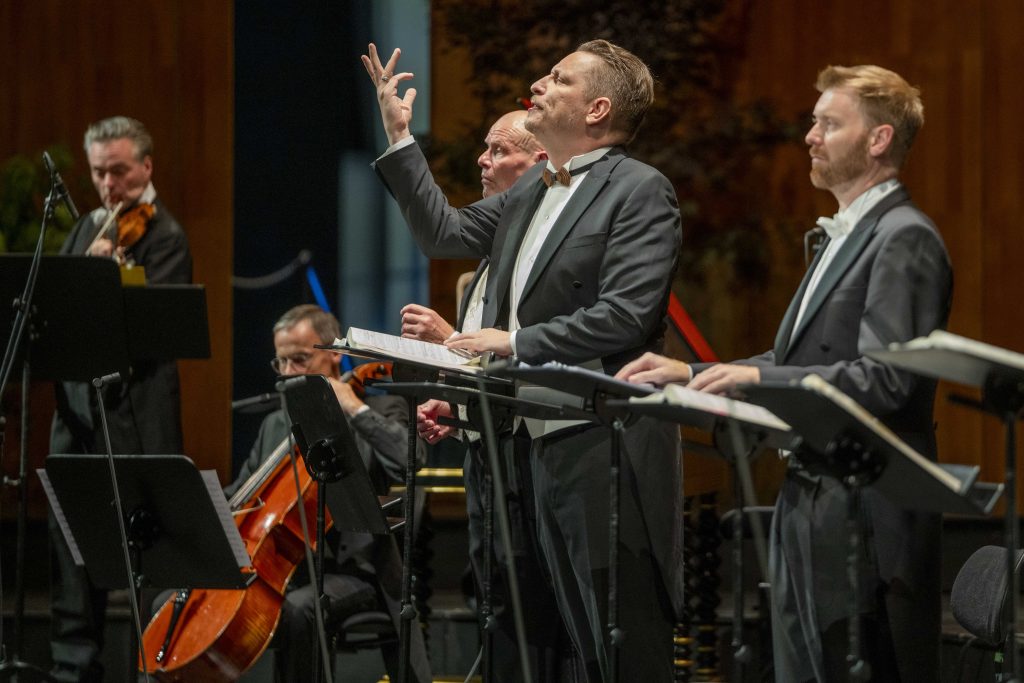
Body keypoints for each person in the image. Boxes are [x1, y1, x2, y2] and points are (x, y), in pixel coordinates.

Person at [617, 65, 952, 682]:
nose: (810, 136)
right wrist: (691, 373)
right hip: (811, 494)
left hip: (868, 511)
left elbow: (885, 380)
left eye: (829, 123)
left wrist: (752, 383)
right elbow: (798, 362)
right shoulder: (844, 236)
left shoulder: (904, 237)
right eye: (813, 121)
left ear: (878, 139)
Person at [363, 39, 683, 682]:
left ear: (596, 110)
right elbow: (443, 234)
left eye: (558, 79)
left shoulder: (641, 190)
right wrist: (400, 137)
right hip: (539, 442)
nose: (538, 83)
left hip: (604, 440)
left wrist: (513, 342)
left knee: (623, 647)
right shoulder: (534, 189)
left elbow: (628, 314)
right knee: (574, 646)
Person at [400, 110, 550, 681]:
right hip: (486, 459)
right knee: (492, 605)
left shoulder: (546, 253)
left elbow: (530, 354)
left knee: (522, 615)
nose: (482, 162)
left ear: (539, 163)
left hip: (527, 461)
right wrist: (454, 404)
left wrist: (447, 339)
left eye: (496, 150)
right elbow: (490, 366)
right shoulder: (494, 249)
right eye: (483, 149)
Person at [48, 116, 192, 683]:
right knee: (70, 552)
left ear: (146, 167)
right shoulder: (84, 229)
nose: (109, 185)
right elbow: (55, 314)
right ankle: (72, 671)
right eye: (99, 173)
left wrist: (112, 280)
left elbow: (153, 334)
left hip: (136, 423)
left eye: (120, 172)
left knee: (145, 558)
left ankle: (151, 671)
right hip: (77, 422)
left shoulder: (166, 236)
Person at [223, 304, 431, 682]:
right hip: (288, 569)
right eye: (281, 363)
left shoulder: (378, 407)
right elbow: (240, 493)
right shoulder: (276, 424)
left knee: (299, 608)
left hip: (359, 572)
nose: (288, 373)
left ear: (335, 353)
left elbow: (409, 457)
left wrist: (352, 408)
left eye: (300, 360)